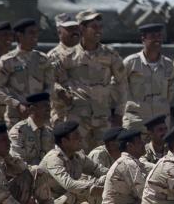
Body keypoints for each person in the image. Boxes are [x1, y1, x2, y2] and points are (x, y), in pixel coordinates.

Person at [52, 10, 125, 150]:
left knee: (105, 156)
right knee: (78, 156)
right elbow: (50, 80)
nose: (98, 31)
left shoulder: (110, 55)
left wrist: (119, 113)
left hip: (103, 118)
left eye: (100, 27)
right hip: (77, 119)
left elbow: (122, 83)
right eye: (94, 27)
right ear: (82, 28)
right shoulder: (68, 56)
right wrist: (61, 93)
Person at [0, 19, 54, 127]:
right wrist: (16, 105)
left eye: (37, 32)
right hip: (17, 118)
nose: (35, 36)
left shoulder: (43, 59)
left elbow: (50, 85)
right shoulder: (7, 60)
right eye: (31, 33)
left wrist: (41, 104)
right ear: (20, 35)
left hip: (40, 116)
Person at [39, 121, 106, 204]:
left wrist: (115, 176)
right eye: (76, 136)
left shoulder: (78, 156)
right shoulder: (54, 158)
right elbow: (69, 185)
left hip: (69, 201)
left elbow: (98, 169)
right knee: (79, 191)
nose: (81, 138)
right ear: (64, 141)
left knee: (100, 184)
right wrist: (93, 188)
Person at [121, 23, 174, 130]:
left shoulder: (168, 65)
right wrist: (131, 104)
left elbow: (171, 90)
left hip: (161, 121)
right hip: (136, 121)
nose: (157, 39)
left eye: (159, 36)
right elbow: (118, 87)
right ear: (143, 39)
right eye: (152, 36)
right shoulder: (131, 63)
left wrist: (160, 105)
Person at [101, 128, 150, 204]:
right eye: (139, 142)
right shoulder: (128, 164)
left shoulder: (131, 161)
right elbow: (145, 195)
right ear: (130, 146)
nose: (143, 143)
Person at [46, 13, 80, 124]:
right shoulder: (54, 56)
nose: (74, 31)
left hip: (88, 114)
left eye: (76, 28)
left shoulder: (85, 53)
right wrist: (62, 93)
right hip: (64, 114)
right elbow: (48, 82)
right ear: (59, 31)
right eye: (70, 29)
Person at [8, 92, 54, 166]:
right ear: (33, 109)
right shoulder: (20, 130)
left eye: (49, 106)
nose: (49, 108)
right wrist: (35, 171)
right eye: (45, 105)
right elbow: (16, 160)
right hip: (26, 174)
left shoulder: (49, 132)